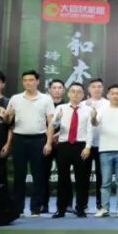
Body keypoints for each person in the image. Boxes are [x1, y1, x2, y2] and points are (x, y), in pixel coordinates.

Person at [7, 70, 54, 217]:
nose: (28, 82)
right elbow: (8, 122)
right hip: (19, 139)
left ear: (37, 81)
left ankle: (36, 208)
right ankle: (18, 208)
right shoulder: (15, 98)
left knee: (38, 175)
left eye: (31, 80)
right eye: (25, 80)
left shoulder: (46, 99)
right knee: (19, 175)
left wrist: (49, 142)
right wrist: (8, 116)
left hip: (39, 139)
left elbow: (51, 122)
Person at [51, 83, 93, 218]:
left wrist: (88, 147)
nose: (75, 94)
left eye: (79, 92)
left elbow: (90, 130)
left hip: (81, 145)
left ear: (83, 94)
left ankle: (81, 208)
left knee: (82, 179)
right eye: (73, 91)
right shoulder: (60, 108)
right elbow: (54, 126)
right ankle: (61, 209)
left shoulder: (88, 109)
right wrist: (57, 118)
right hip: (64, 145)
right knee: (63, 179)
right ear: (68, 93)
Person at [91, 85, 118, 217]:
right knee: (106, 182)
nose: (115, 96)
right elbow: (94, 123)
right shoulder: (102, 109)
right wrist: (93, 117)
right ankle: (104, 208)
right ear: (108, 95)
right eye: (112, 93)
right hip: (105, 150)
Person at [38, 78, 66, 214]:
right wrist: (49, 135)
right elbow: (39, 122)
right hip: (45, 143)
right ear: (49, 90)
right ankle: (43, 204)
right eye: (54, 88)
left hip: (62, 143)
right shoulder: (44, 105)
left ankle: (65, 205)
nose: (57, 90)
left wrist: (59, 134)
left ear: (64, 90)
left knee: (64, 175)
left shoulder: (67, 105)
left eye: (60, 88)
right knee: (43, 174)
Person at [86, 78, 108, 210]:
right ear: (89, 89)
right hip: (86, 145)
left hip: (103, 144)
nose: (97, 89)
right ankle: (83, 204)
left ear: (103, 89)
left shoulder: (108, 104)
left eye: (99, 86)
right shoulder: (83, 104)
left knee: (102, 176)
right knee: (84, 175)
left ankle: (101, 204)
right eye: (93, 86)